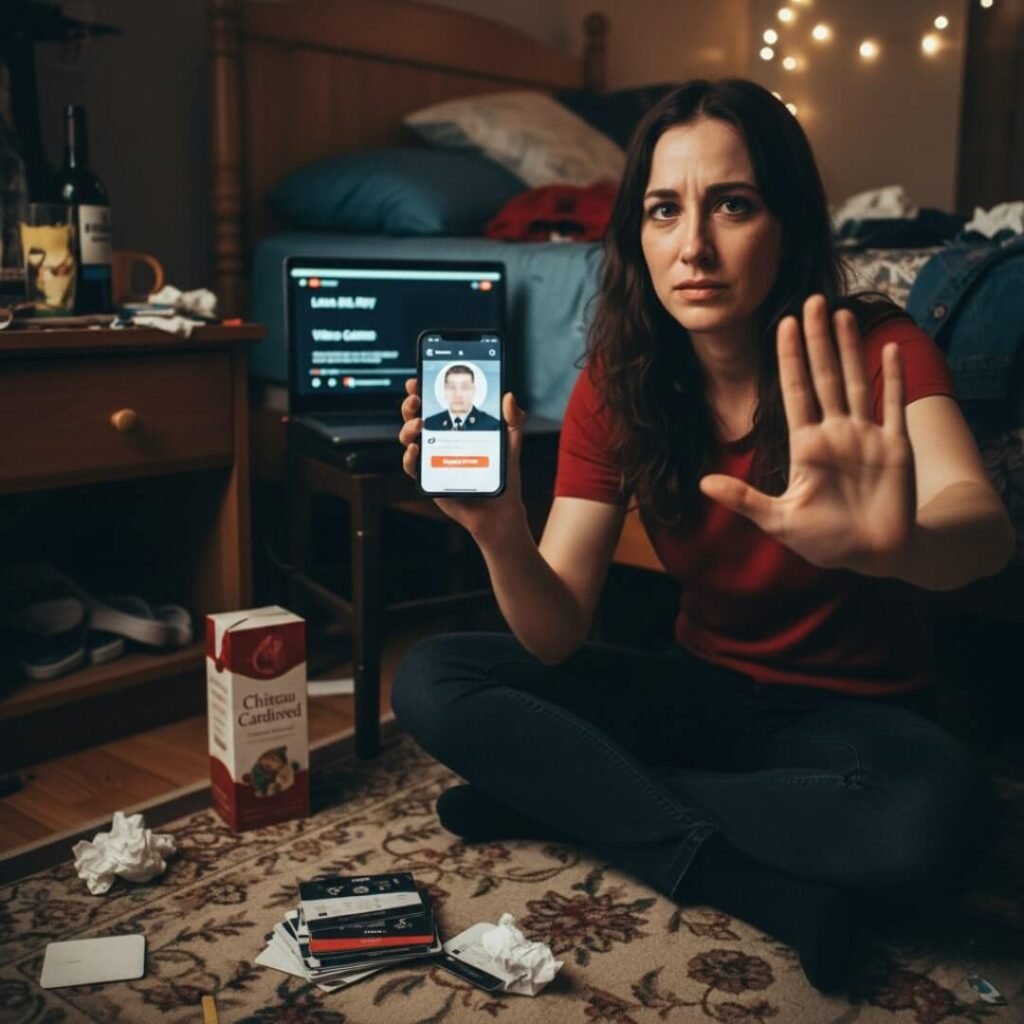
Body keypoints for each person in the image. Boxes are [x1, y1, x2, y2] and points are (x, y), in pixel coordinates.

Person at [393, 79, 1014, 993]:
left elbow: (982, 526)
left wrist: (892, 549)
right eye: (663, 210)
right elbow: (555, 634)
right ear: (636, 235)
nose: (693, 246)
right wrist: (499, 530)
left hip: (851, 724)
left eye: (732, 204)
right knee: (434, 680)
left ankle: (574, 797)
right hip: (696, 696)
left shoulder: (876, 347)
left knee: (940, 821)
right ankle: (745, 878)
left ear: (787, 224)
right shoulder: (620, 381)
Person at [422, 364, 500, 430]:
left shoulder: (492, 425)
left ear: (473, 390)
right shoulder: (430, 424)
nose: (458, 394)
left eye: (465, 387)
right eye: (452, 387)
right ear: (445, 390)